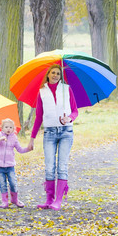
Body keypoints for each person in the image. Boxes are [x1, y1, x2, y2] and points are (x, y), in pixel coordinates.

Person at [29, 64, 78, 211]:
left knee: (62, 167)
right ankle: (49, 199)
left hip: (66, 132)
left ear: (60, 75)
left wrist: (69, 118)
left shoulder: (66, 89)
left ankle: (58, 200)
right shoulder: (42, 92)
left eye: (58, 73)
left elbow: (75, 111)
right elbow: (38, 117)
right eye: (53, 73)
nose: (55, 75)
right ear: (48, 75)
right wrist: (32, 138)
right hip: (49, 133)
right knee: (49, 167)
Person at [0, 117, 33, 208]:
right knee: (3, 184)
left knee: (13, 183)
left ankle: (14, 200)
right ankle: (5, 202)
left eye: (10, 127)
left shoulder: (14, 138)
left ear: (13, 129)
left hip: (10, 165)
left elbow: (20, 150)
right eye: (6, 127)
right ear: (2, 128)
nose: (8, 129)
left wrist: (28, 149)